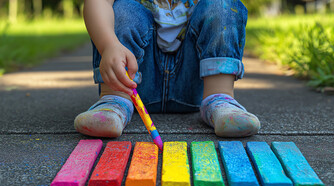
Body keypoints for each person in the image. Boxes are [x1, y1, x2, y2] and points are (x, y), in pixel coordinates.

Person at [74, 0, 260, 138]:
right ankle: (113, 102)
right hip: (132, 87)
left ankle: (221, 101)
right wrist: (109, 45)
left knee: (223, 5)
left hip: (196, 85)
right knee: (123, 10)